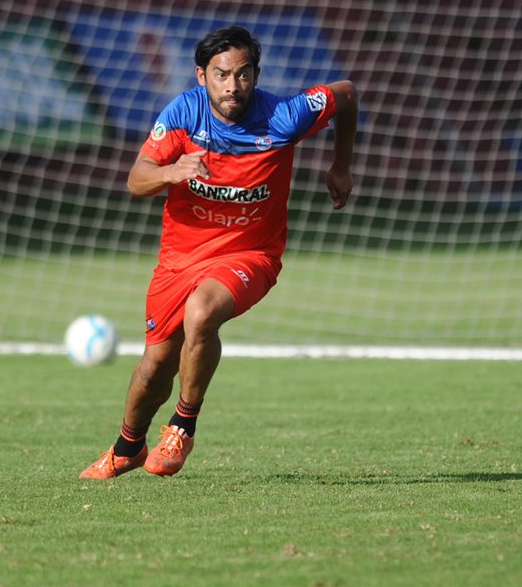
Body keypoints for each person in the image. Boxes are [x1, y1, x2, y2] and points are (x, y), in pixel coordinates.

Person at [80, 25, 358, 479]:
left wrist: (340, 166)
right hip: (180, 258)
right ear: (201, 75)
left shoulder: (284, 115)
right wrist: (171, 172)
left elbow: (344, 94)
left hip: (251, 254)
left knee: (202, 311)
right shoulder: (184, 114)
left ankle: (183, 427)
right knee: (155, 367)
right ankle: (127, 447)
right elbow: (136, 179)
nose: (233, 86)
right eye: (222, 75)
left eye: (244, 75)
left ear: (256, 74)